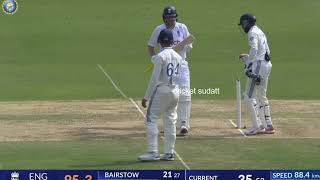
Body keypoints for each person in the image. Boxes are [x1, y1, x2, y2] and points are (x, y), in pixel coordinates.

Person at [147, 5, 193, 136]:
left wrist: (183, 46)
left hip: (181, 64)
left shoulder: (182, 27)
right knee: (167, 93)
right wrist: (154, 59)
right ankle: (169, 123)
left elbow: (189, 44)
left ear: (175, 18)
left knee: (184, 93)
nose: (170, 20)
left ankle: (184, 123)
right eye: (167, 18)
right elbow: (150, 46)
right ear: (164, 18)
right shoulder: (159, 29)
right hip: (165, 66)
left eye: (172, 18)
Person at [138, 29, 182, 161]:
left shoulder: (161, 56)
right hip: (175, 91)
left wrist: (146, 96)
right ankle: (169, 152)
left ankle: (152, 152)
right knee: (170, 121)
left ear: (159, 42)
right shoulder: (178, 57)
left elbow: (154, 79)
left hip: (162, 90)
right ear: (173, 41)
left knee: (151, 119)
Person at [238, 13, 275, 135]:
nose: (243, 28)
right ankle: (268, 125)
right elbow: (265, 51)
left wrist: (249, 65)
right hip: (266, 64)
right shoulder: (259, 31)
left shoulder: (252, 33)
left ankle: (257, 126)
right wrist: (249, 58)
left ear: (246, 23)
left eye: (243, 25)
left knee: (248, 97)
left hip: (259, 65)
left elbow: (254, 49)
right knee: (261, 95)